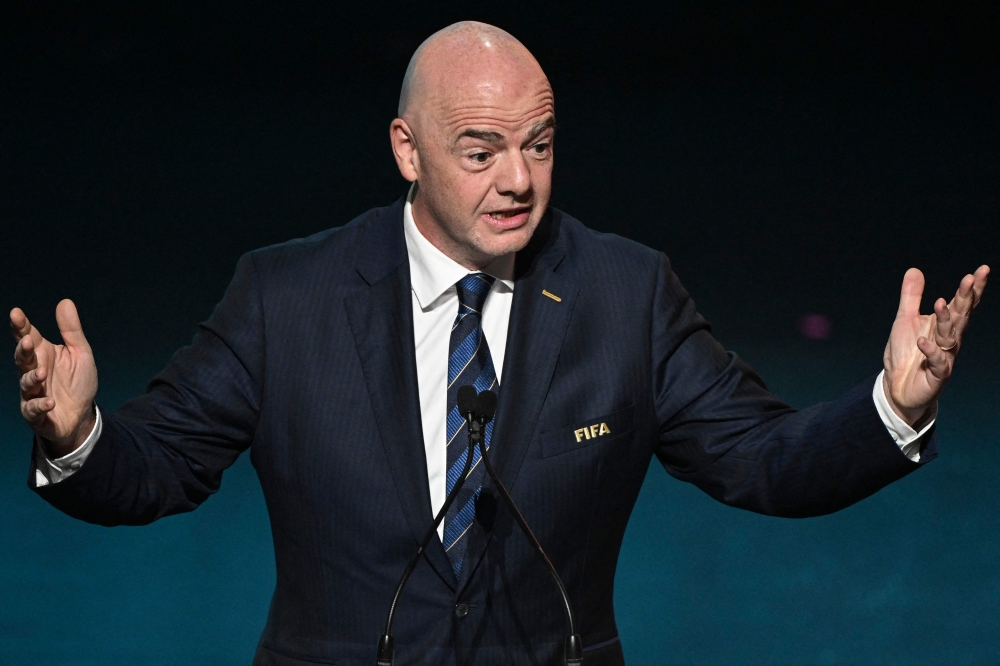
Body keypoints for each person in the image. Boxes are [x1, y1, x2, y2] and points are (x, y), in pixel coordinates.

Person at [10, 21, 989, 666]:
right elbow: (159, 469)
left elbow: (763, 459)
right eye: (480, 151)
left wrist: (891, 409)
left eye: (540, 144)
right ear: (407, 150)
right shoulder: (286, 296)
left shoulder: (626, 294)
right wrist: (78, 434)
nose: (519, 180)